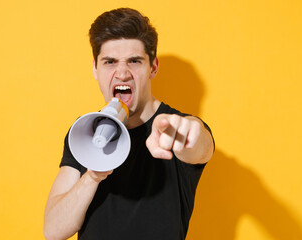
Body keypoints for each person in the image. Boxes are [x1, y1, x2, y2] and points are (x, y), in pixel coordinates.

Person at [43, 8, 214, 240]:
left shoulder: (173, 129)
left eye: (134, 61)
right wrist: (93, 175)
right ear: (95, 68)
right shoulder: (84, 130)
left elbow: (199, 144)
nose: (122, 73)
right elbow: (53, 232)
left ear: (153, 67)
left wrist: (188, 130)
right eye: (110, 62)